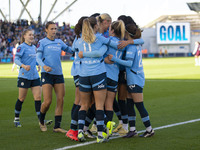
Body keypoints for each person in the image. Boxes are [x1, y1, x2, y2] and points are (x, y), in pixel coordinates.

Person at [108, 24, 154, 138]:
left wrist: (114, 59)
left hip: (135, 78)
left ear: (127, 33)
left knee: (139, 105)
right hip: (133, 78)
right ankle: (132, 130)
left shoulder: (131, 47)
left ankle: (149, 129)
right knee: (129, 105)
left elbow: (129, 63)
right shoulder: (136, 43)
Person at [75, 17, 109, 143]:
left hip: (83, 75)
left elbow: (75, 50)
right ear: (95, 27)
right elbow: (110, 45)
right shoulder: (99, 38)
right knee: (99, 105)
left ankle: (79, 132)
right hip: (98, 74)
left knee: (83, 105)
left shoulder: (79, 41)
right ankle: (100, 135)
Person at [36, 21, 73, 133]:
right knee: (47, 101)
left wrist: (79, 47)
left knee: (60, 100)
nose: (54, 31)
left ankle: (57, 126)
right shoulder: (42, 42)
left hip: (58, 75)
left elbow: (71, 51)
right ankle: (41, 121)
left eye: (55, 29)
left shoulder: (59, 42)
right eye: (51, 29)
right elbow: (37, 58)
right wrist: (44, 66)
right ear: (46, 30)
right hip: (46, 74)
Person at [13, 29, 52, 127]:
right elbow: (16, 59)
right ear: (24, 36)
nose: (31, 36)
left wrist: (37, 64)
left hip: (34, 76)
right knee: (21, 98)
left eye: (32, 35)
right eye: (29, 35)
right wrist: (23, 65)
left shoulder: (34, 48)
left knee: (38, 98)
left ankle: (41, 120)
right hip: (24, 76)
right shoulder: (21, 47)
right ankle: (16, 119)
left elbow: (34, 59)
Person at [66, 16, 88, 141]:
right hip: (80, 71)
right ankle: (72, 129)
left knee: (78, 100)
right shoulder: (80, 38)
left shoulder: (78, 37)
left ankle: (74, 128)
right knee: (80, 101)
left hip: (79, 71)